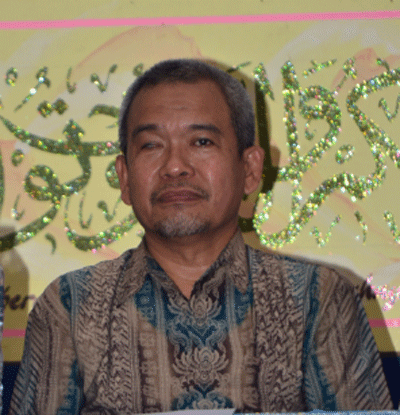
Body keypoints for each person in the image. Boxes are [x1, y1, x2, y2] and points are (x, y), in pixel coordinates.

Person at [9, 59, 392, 414]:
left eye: (202, 142)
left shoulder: (316, 300)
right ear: (124, 178)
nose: (175, 166)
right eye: (151, 145)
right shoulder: (70, 307)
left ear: (250, 169)